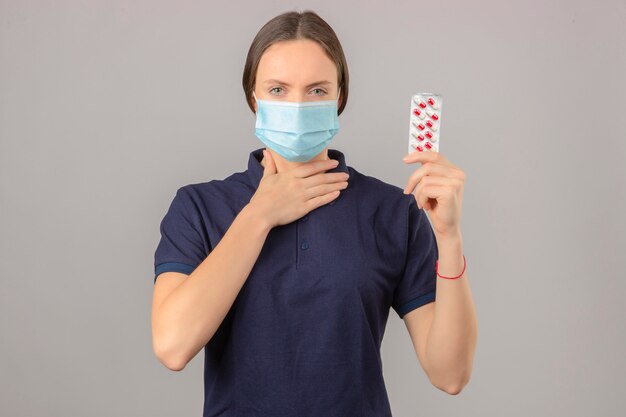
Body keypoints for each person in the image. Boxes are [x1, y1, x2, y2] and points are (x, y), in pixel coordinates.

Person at [151, 9, 477, 417]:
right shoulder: (199, 207)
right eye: (278, 89)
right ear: (253, 96)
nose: (298, 105)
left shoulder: (392, 211)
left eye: (318, 90)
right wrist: (259, 215)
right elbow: (172, 345)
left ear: (340, 96)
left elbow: (450, 374)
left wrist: (449, 238)